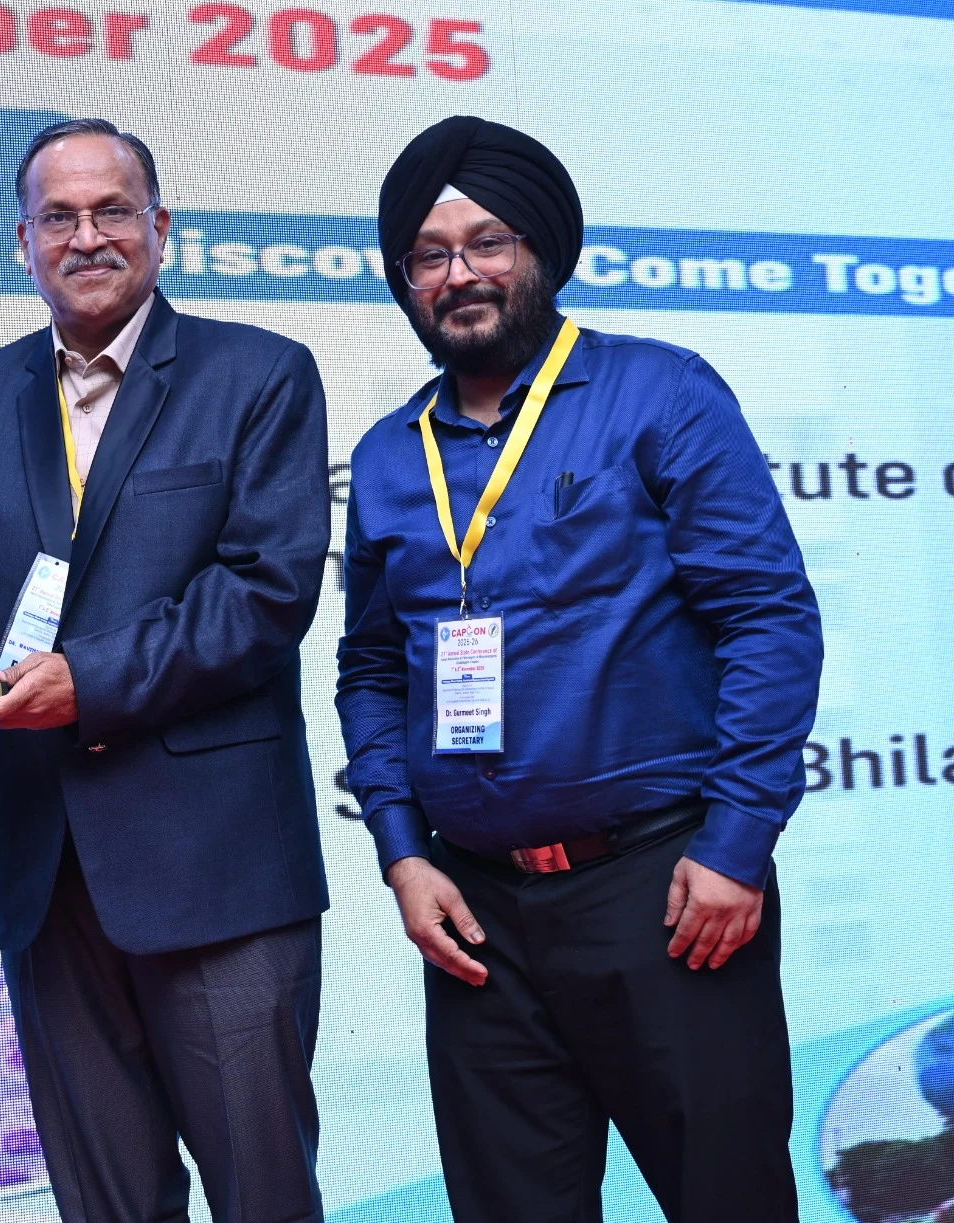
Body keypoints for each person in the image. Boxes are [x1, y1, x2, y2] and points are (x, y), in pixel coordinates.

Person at [336, 115, 824, 1223]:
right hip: (475, 916)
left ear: (541, 252)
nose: (459, 274)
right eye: (428, 255)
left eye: (487, 242)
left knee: (727, 1199)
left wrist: (736, 845)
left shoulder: (661, 393)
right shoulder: (387, 456)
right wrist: (402, 852)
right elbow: (371, 669)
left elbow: (767, 620)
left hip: (666, 892)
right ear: (405, 280)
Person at [0, 118, 331, 1223]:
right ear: (22, 240)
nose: (86, 236)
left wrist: (84, 680)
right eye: (58, 216)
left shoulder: (260, 375)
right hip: (43, 876)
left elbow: (264, 594)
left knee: (264, 1199)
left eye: (111, 210)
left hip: (221, 873)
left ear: (161, 225)